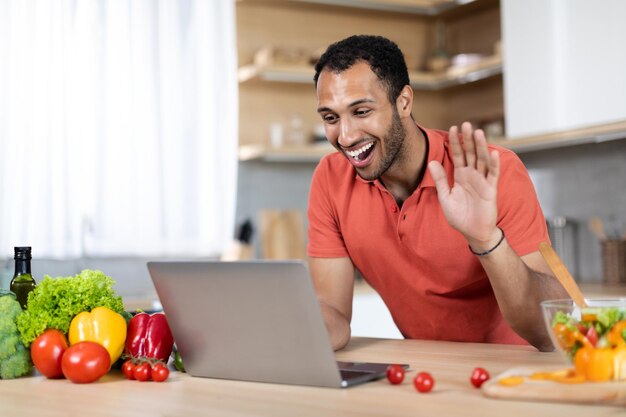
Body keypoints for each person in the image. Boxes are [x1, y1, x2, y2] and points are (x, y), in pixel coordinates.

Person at [307, 34, 568, 352]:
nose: (345, 136)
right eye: (331, 118)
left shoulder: (492, 170)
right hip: (425, 371)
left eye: (361, 112)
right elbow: (331, 314)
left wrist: (486, 240)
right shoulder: (330, 179)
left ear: (403, 102)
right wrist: (282, 327)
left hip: (514, 370)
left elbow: (550, 330)